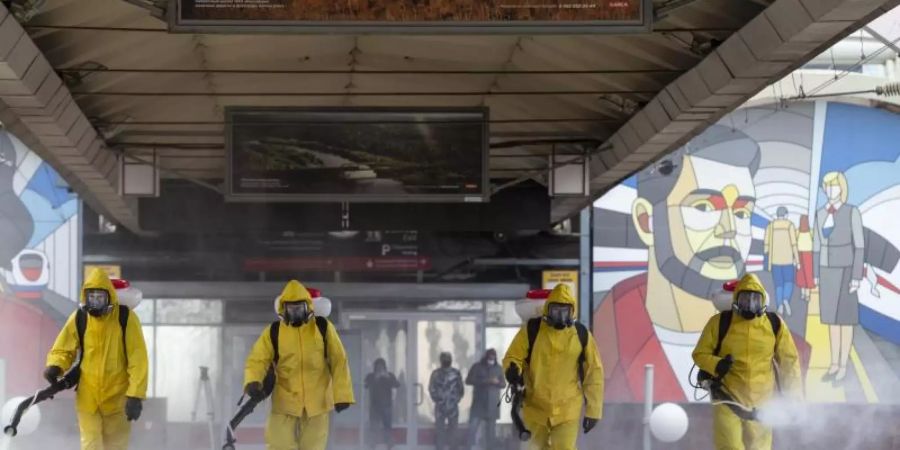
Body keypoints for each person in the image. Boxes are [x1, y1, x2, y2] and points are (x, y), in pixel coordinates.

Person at [593, 125, 811, 402]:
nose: (729, 228)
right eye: (704, 207)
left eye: (743, 212)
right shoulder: (605, 336)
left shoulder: (784, 344)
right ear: (647, 222)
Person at [692, 273, 802, 450]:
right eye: (745, 300)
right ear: (736, 299)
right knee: (729, 446)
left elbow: (789, 363)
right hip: (727, 398)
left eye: (755, 300)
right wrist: (717, 364)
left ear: (763, 301)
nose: (750, 305)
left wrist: (794, 398)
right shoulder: (720, 323)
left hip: (763, 404)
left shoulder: (775, 325)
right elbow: (700, 353)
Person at [45, 268, 149, 450]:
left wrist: (135, 395)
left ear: (109, 296)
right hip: (88, 397)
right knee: (91, 445)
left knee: (115, 446)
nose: (95, 302)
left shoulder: (125, 318)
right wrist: (55, 366)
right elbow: (63, 347)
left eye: (100, 298)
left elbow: (138, 359)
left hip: (117, 399)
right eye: (91, 297)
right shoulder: (80, 318)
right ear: (85, 297)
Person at [243, 280, 354, 450]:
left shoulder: (323, 328)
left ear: (308, 307)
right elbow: (258, 358)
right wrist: (253, 381)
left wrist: (342, 395)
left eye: (299, 308)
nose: (295, 313)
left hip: (316, 407)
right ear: (283, 308)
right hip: (284, 405)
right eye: (291, 309)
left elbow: (339, 360)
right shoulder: (274, 331)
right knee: (279, 446)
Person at [503, 284, 604, 450]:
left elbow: (594, 373)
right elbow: (514, 356)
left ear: (572, 312)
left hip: (567, 409)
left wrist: (594, 411)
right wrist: (512, 369)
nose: (560, 316)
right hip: (535, 407)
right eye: (556, 311)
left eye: (565, 311)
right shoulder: (532, 330)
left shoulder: (580, 334)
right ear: (547, 310)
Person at [813, 171, 865, 384]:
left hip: (846, 269)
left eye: (834, 186)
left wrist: (856, 277)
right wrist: (815, 274)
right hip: (826, 271)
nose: (830, 190)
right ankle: (834, 364)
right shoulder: (819, 214)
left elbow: (860, 246)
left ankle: (843, 366)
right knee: (831, 322)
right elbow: (816, 245)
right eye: (827, 186)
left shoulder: (852, 211)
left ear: (842, 188)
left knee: (846, 321)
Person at [465, 349, 505, 449]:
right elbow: (468, 380)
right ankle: (469, 448)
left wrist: (497, 382)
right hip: (479, 403)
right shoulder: (477, 367)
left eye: (493, 358)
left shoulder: (498, 368)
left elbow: (503, 384)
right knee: (472, 429)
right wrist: (486, 381)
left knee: (491, 433)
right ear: (486, 357)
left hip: (492, 404)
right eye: (490, 357)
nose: (491, 359)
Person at [764, 206, 800, 316]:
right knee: (789, 282)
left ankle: (779, 305)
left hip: (775, 260)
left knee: (778, 284)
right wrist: (797, 261)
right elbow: (794, 244)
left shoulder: (770, 226)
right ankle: (786, 299)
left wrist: (767, 254)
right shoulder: (790, 225)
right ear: (786, 214)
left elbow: (766, 244)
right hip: (788, 260)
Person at [428, 352, 464, 450]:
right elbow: (431, 389)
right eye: (444, 358)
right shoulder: (436, 373)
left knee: (453, 432)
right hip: (440, 406)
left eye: (447, 358)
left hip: (452, 407)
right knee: (440, 432)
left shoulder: (456, 373)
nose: (446, 360)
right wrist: (438, 399)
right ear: (441, 360)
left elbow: (461, 389)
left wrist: (455, 399)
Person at [364, 358, 400, 450]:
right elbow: (366, 385)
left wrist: (387, 377)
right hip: (374, 407)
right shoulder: (371, 376)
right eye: (378, 367)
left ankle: (389, 445)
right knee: (374, 428)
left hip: (386, 406)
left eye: (381, 367)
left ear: (385, 367)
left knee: (387, 427)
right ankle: (372, 445)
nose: (380, 369)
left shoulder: (389, 375)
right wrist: (376, 378)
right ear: (375, 367)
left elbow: (397, 384)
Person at [795, 215, 815, 301]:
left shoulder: (797, 231)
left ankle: (803, 294)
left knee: (802, 274)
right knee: (808, 274)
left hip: (801, 255)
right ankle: (807, 294)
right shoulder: (811, 231)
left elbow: (795, 243)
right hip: (809, 255)